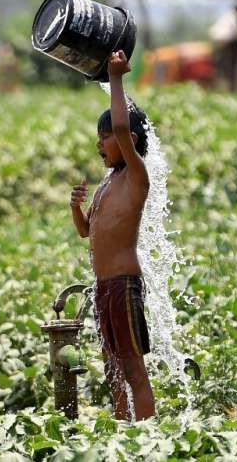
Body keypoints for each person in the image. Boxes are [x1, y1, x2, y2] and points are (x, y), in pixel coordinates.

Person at [69, 50, 155, 421]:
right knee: (113, 370)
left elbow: (122, 127)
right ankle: (122, 436)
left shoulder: (136, 176)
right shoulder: (108, 184)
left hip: (123, 285)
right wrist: (76, 208)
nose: (101, 144)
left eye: (106, 137)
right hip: (104, 287)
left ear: (130, 140)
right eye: (100, 138)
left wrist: (115, 78)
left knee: (133, 369)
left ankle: (150, 435)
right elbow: (87, 231)